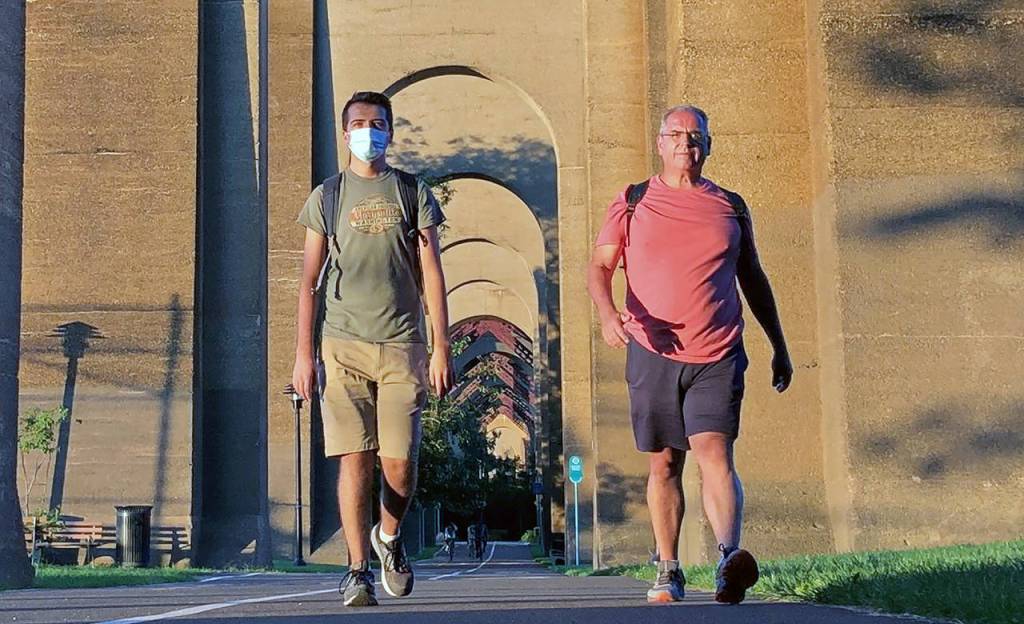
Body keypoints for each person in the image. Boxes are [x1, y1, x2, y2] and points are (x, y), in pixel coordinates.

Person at [587, 104, 792, 605]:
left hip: (718, 351)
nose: (686, 143)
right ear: (660, 143)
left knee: (715, 452)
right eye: (676, 134)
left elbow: (755, 281)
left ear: (708, 145)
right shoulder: (633, 201)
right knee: (664, 465)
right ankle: (669, 565)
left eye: (695, 136)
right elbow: (599, 266)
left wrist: (779, 345)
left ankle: (728, 560)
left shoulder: (731, 206)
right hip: (653, 352)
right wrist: (608, 315)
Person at [292, 91, 453, 607]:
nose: (368, 131)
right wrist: (303, 355)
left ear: (390, 131)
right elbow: (309, 281)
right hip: (342, 345)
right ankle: (357, 568)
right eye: (359, 123)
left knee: (399, 463)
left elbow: (431, 271)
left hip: (403, 344)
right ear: (345, 134)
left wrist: (442, 346)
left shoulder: (412, 193)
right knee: (354, 458)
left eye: (377, 123)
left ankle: (389, 535)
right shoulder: (328, 197)